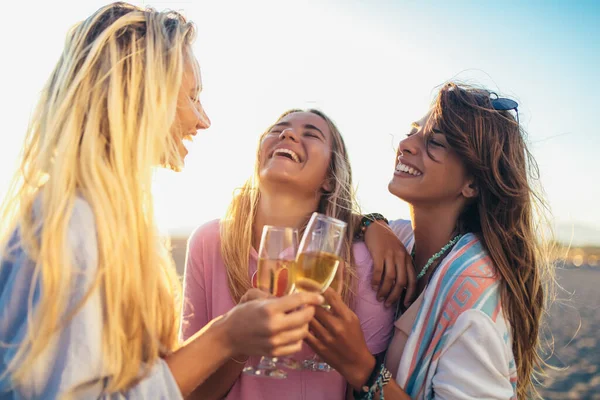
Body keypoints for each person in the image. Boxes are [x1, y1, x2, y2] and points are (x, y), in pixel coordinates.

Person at [0, 3, 323, 398]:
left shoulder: (109, 217)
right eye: (192, 96)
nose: (203, 120)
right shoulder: (73, 221)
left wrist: (234, 334)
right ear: (140, 94)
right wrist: (224, 337)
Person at [306, 83, 554, 399]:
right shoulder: (407, 238)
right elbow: (344, 220)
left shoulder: (474, 297)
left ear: (472, 183)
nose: (406, 144)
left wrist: (361, 368)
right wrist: (373, 225)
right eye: (412, 131)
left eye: (434, 142)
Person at [181, 109, 411, 399]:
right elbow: (187, 392)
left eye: (311, 134)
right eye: (279, 129)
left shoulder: (361, 260)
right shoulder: (209, 241)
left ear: (329, 178)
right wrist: (239, 345)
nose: (287, 134)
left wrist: (371, 224)